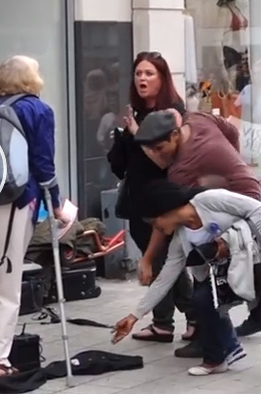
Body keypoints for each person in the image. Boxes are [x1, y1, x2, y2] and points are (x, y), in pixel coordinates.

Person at [0, 56, 71, 381]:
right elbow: (43, 163)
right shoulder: (38, 110)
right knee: (7, 279)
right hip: (16, 199)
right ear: (30, 78)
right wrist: (56, 204)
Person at [135, 109, 261, 345]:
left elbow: (163, 223)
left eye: (160, 148)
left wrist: (148, 258)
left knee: (214, 282)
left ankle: (210, 342)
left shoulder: (181, 171)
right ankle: (223, 336)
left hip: (241, 205)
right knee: (210, 277)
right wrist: (233, 163)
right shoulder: (198, 119)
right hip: (242, 191)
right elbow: (231, 131)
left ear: (174, 135)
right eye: (151, 150)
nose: (157, 155)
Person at [112, 181, 261, 376]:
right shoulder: (180, 239)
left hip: (255, 257)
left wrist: (230, 240)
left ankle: (229, 347)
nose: (156, 229)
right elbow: (164, 279)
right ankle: (216, 359)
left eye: (154, 224)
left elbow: (257, 210)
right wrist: (134, 316)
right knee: (202, 299)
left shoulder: (209, 200)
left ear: (164, 212)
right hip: (230, 271)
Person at [107, 51, 194, 343]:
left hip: (163, 197)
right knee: (158, 261)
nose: (142, 79)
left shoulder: (172, 113)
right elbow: (124, 161)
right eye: (138, 74)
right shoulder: (135, 111)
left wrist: (137, 133)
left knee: (166, 261)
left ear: (162, 78)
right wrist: (122, 138)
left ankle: (194, 318)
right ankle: (164, 322)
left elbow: (166, 160)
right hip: (137, 195)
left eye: (149, 73)